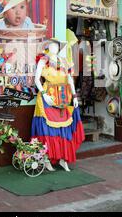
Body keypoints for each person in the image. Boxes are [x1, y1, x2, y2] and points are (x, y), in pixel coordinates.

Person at [31, 38, 85, 171]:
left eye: (56, 45)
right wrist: (44, 94)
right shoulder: (44, 60)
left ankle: (62, 158)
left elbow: (70, 80)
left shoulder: (64, 62)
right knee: (46, 128)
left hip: (62, 98)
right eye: (51, 45)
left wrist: (74, 96)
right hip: (47, 98)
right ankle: (46, 158)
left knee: (62, 129)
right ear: (48, 47)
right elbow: (36, 79)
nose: (53, 47)